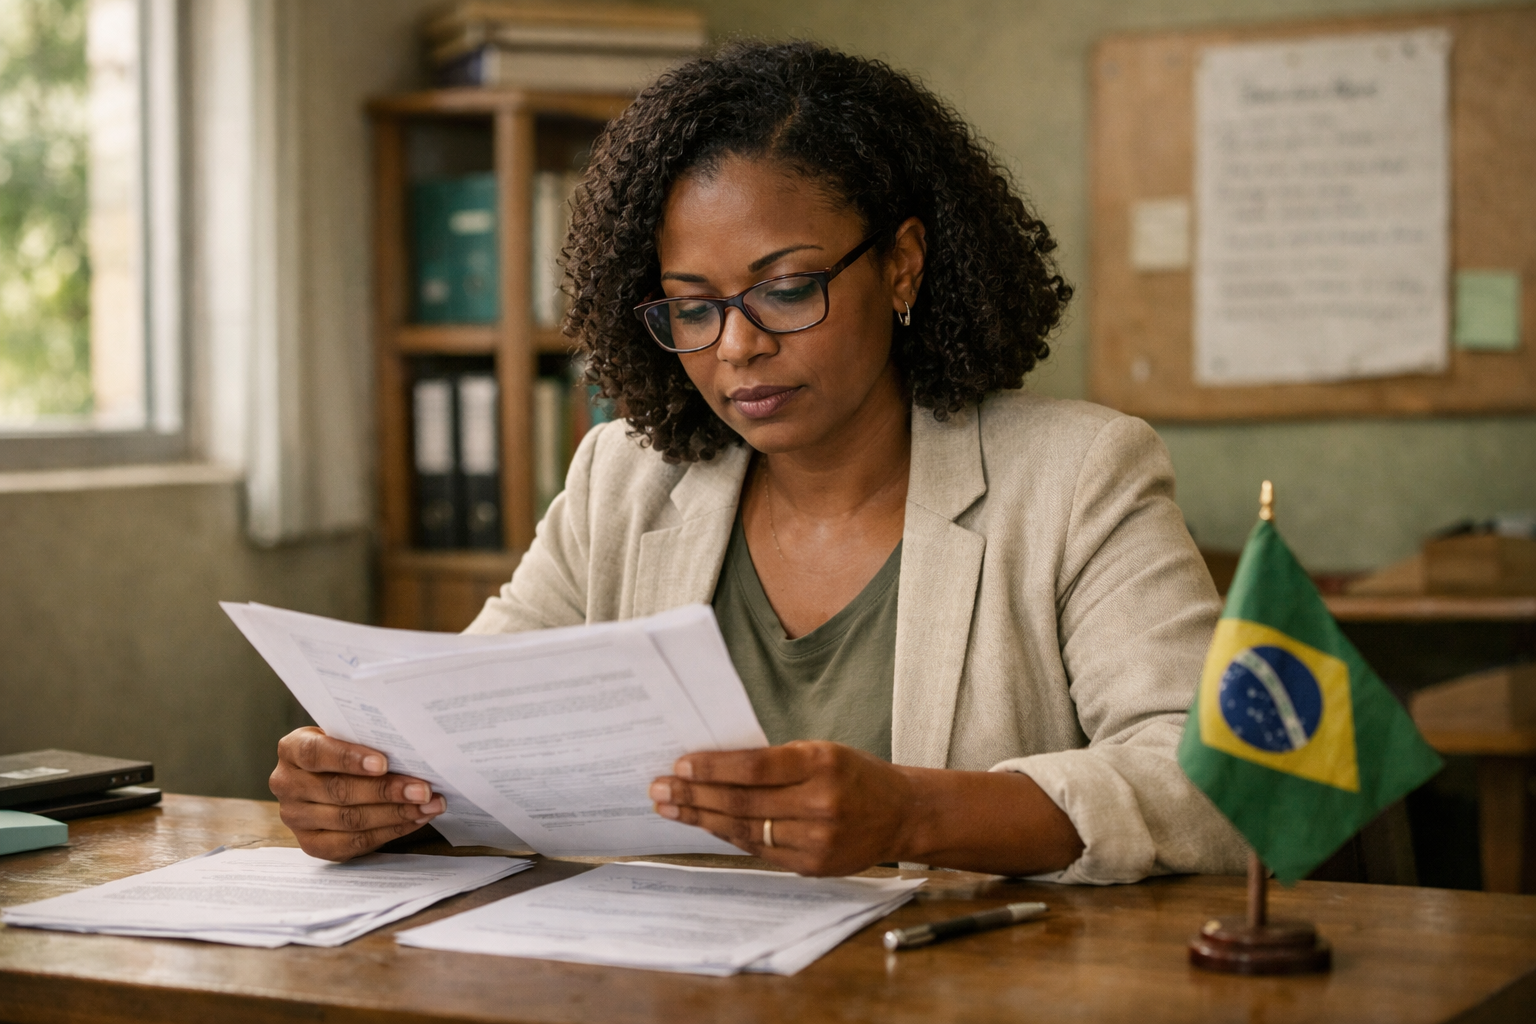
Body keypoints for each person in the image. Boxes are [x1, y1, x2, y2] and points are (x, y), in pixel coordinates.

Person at [270, 41, 1246, 883]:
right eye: (692, 307)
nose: (736, 347)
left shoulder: (1080, 475)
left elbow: (1213, 784)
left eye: (784, 289)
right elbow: (465, 724)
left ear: (902, 264)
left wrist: (911, 813)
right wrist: (369, 788)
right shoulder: (624, 477)